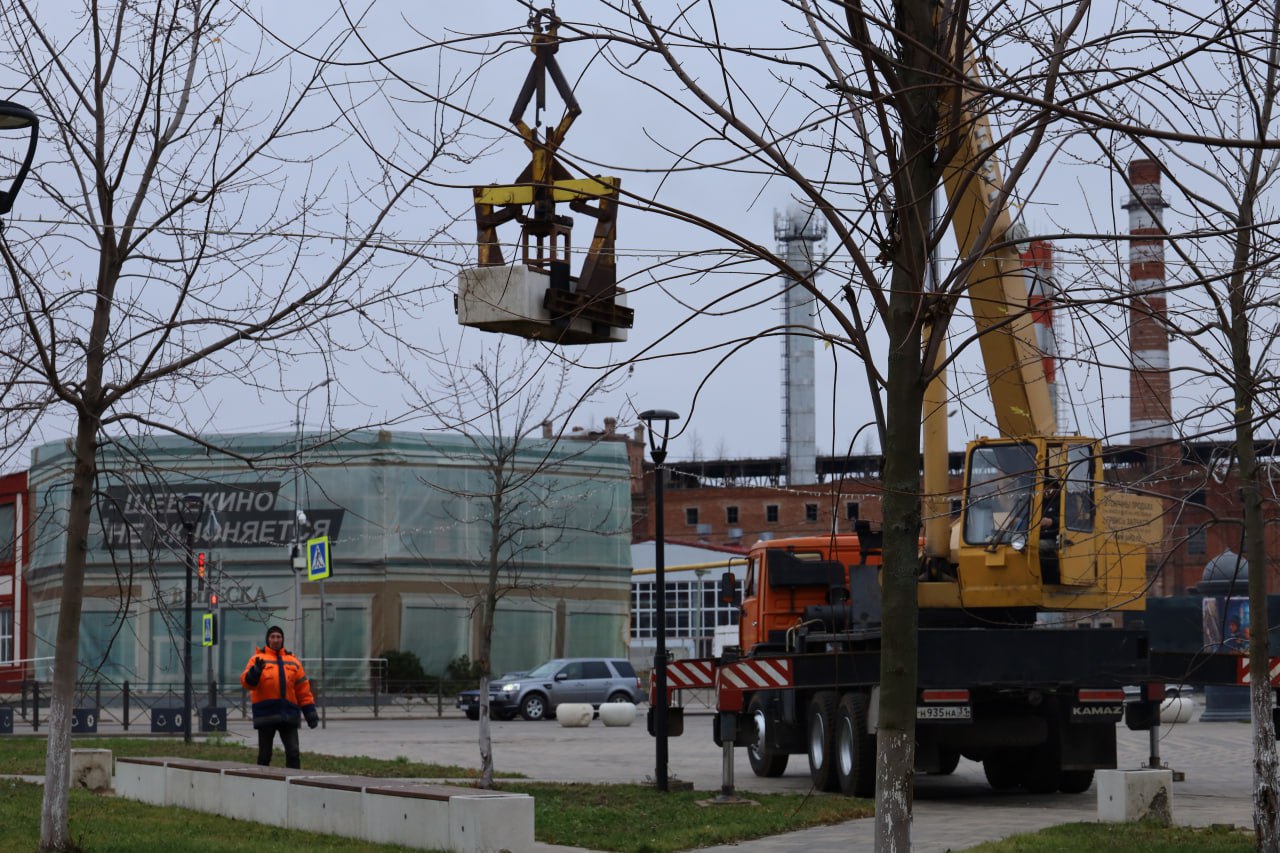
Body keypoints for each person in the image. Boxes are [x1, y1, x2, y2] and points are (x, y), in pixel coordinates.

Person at [241, 625, 318, 768]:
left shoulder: (293, 661)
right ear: (267, 639)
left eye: (278, 637)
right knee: (265, 755)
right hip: (266, 715)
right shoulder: (257, 659)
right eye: (272, 637)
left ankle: (294, 783)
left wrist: (310, 713)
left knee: (293, 752)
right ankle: (262, 784)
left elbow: (303, 691)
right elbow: (247, 683)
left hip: (288, 715)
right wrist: (255, 672)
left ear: (282, 639)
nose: (276, 640)